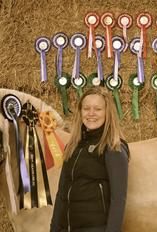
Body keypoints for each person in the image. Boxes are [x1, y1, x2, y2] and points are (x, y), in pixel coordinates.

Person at [50, 86, 129, 232]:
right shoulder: (73, 146)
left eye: (98, 109)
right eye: (86, 108)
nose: (91, 113)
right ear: (80, 112)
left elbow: (118, 200)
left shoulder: (113, 148)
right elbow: (61, 193)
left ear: (107, 112)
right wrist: (54, 229)